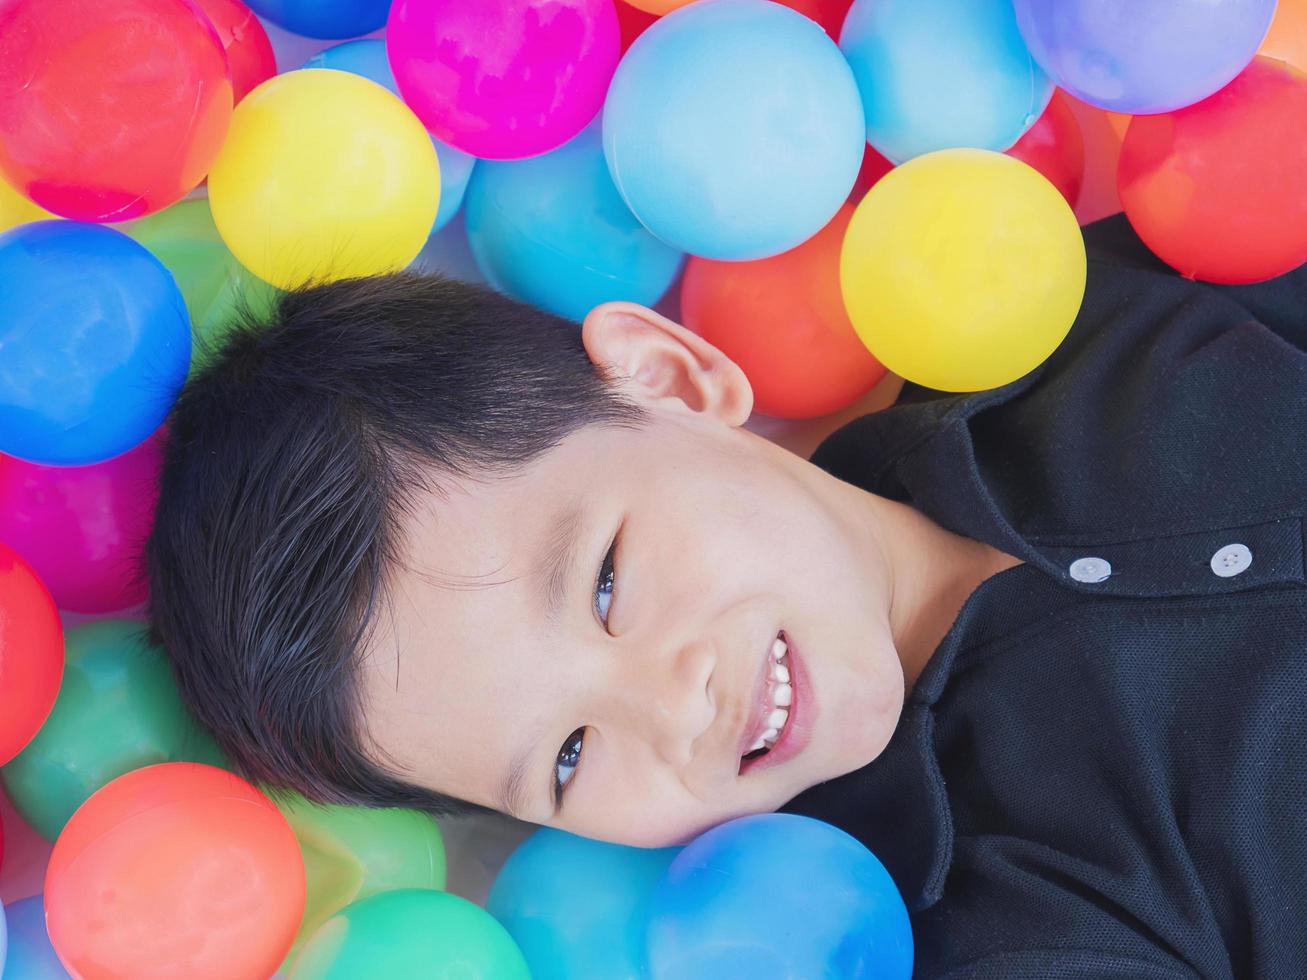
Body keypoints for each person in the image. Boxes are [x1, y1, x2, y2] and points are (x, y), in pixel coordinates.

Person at [147, 214, 1307, 976]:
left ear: (671, 378)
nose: (672, 704)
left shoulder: (1052, 311)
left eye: (606, 581)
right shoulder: (991, 917)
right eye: (565, 757)